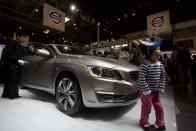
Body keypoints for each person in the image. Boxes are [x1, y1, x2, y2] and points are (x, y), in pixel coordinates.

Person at [138, 46, 166, 131]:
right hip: (145, 91)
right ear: (150, 54)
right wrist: (146, 89)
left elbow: (162, 76)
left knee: (159, 107)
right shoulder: (145, 64)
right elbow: (141, 78)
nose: (158, 56)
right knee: (147, 107)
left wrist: (161, 86)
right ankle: (143, 122)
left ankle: (160, 122)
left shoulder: (160, 64)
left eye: (159, 54)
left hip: (155, 90)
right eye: (156, 54)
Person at [1, 30, 29, 99]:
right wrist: (18, 60)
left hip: (13, 65)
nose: (24, 39)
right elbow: (9, 54)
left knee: (10, 81)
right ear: (18, 36)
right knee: (13, 80)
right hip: (11, 65)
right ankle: (13, 95)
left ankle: (6, 94)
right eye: (23, 37)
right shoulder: (12, 42)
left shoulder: (18, 44)